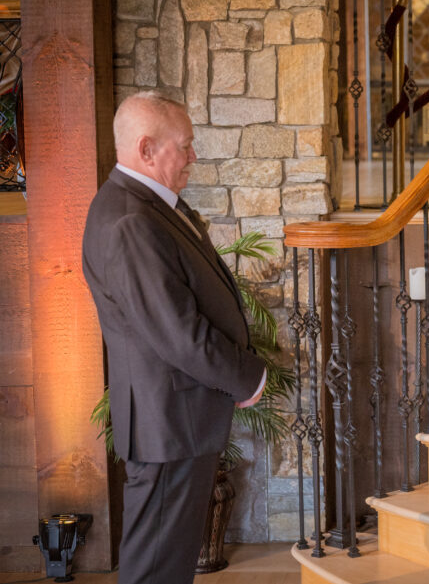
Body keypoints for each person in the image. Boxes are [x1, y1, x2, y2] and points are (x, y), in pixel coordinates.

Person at [82, 91, 266, 584]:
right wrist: (245, 378)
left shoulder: (145, 205)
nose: (193, 156)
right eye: (184, 145)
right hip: (170, 422)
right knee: (157, 568)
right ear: (146, 149)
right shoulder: (130, 220)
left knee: (168, 562)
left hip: (177, 419)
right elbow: (177, 332)